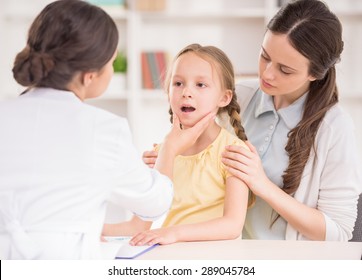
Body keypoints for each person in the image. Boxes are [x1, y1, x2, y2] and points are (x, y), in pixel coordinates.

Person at [0, 0, 213, 259]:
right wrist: (171, 148)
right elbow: (154, 203)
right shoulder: (102, 130)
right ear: (89, 76)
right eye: (111, 62)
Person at [143, 0, 362, 241]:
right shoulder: (237, 96)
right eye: (264, 56)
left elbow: (338, 232)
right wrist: (169, 158)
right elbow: (201, 156)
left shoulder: (334, 129)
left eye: (285, 70)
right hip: (224, 254)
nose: (267, 74)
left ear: (314, 74)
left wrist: (262, 184)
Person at [102, 43, 255, 245]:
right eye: (178, 83)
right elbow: (137, 226)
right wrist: (91, 228)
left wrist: (174, 233)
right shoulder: (163, 153)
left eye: (200, 85)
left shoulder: (233, 152)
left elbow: (232, 225)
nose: (186, 92)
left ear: (224, 97)